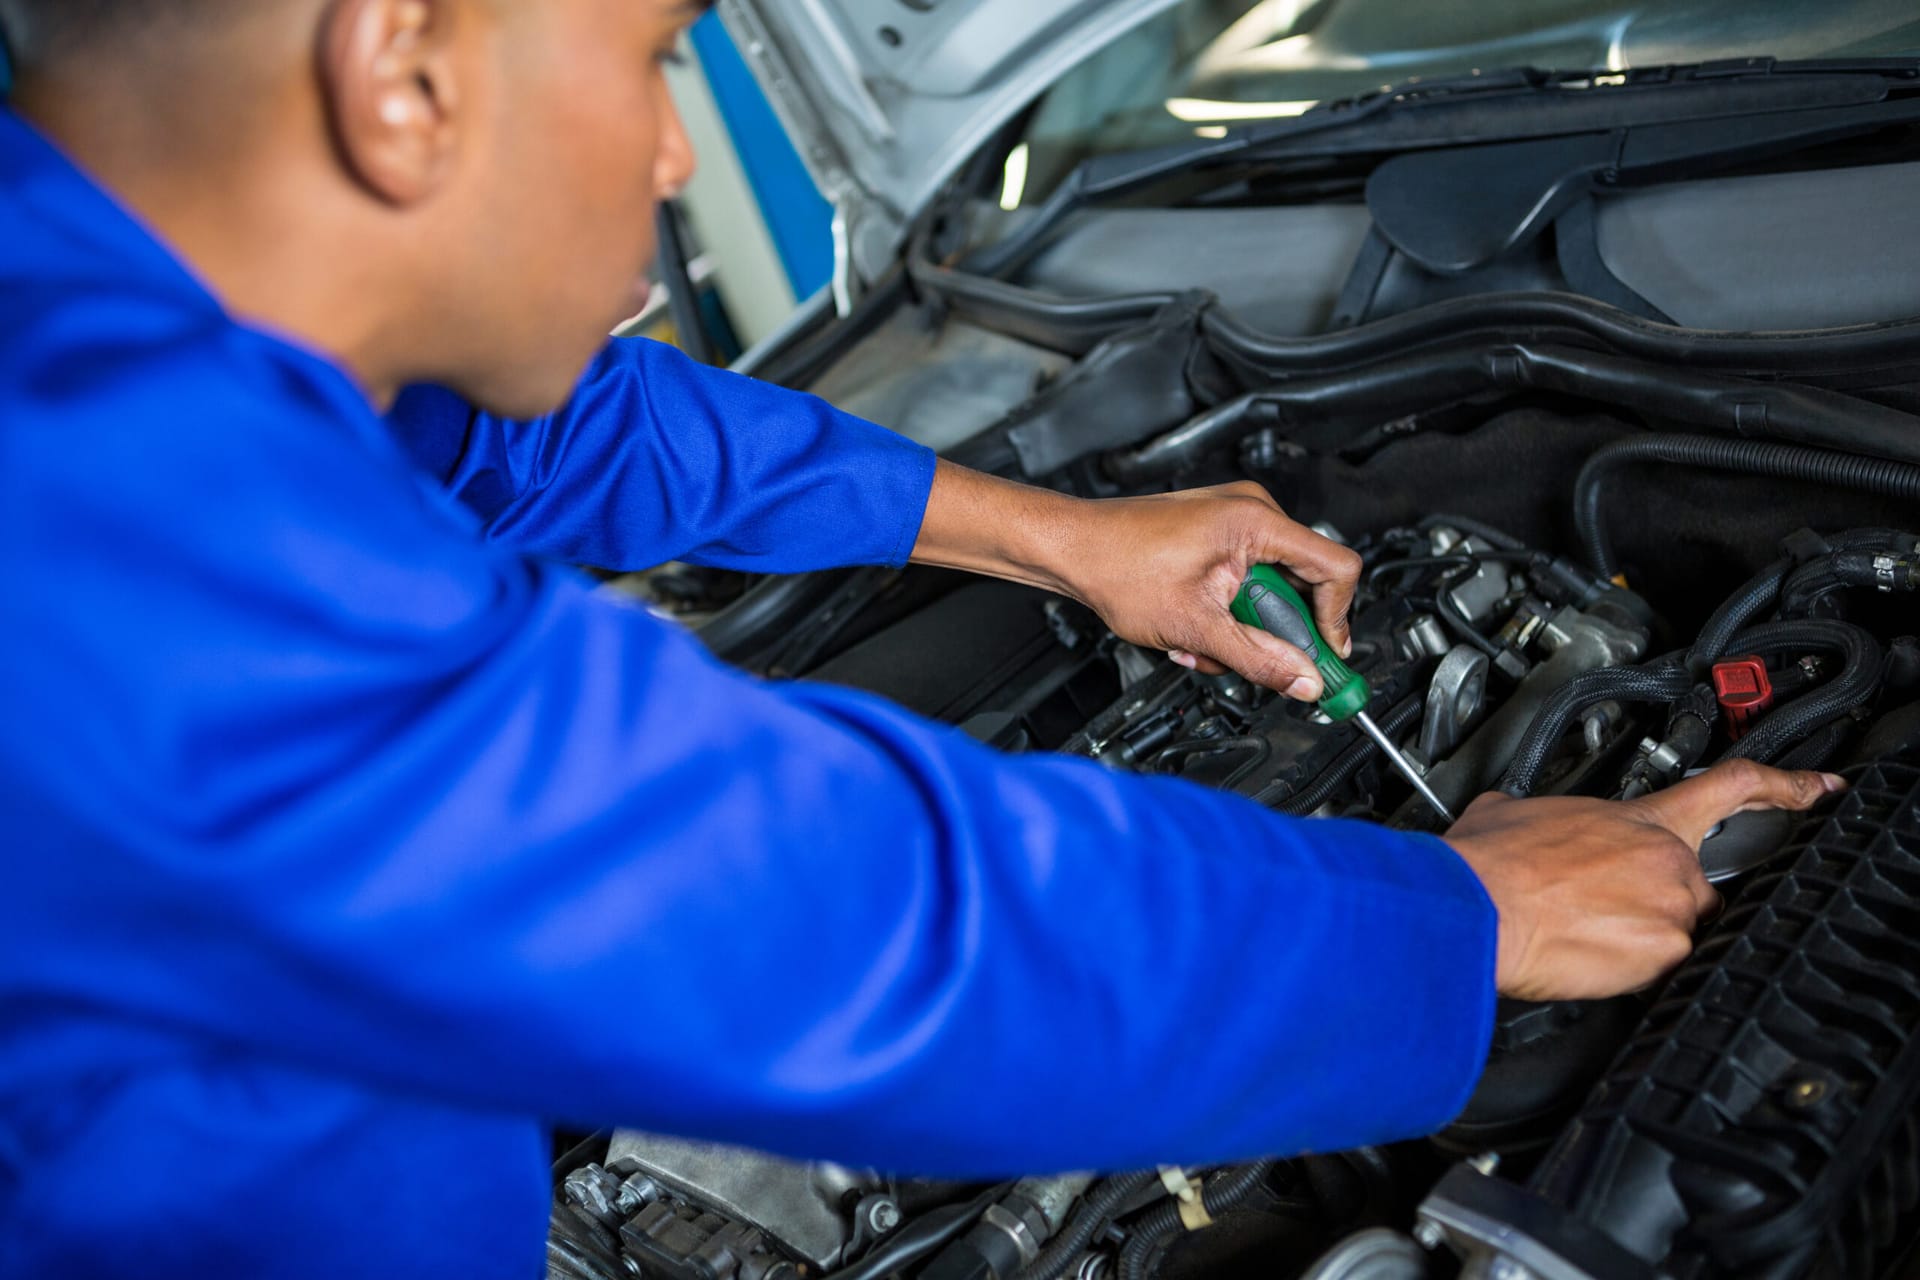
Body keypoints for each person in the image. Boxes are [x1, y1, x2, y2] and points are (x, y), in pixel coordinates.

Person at [0, 0, 1840, 1275]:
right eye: (650, 57)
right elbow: (825, 916)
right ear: (399, 76)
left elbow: (571, 432)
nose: (661, 148)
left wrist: (1066, 542)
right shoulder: (101, 537)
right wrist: (1463, 918)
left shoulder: (111, 322)